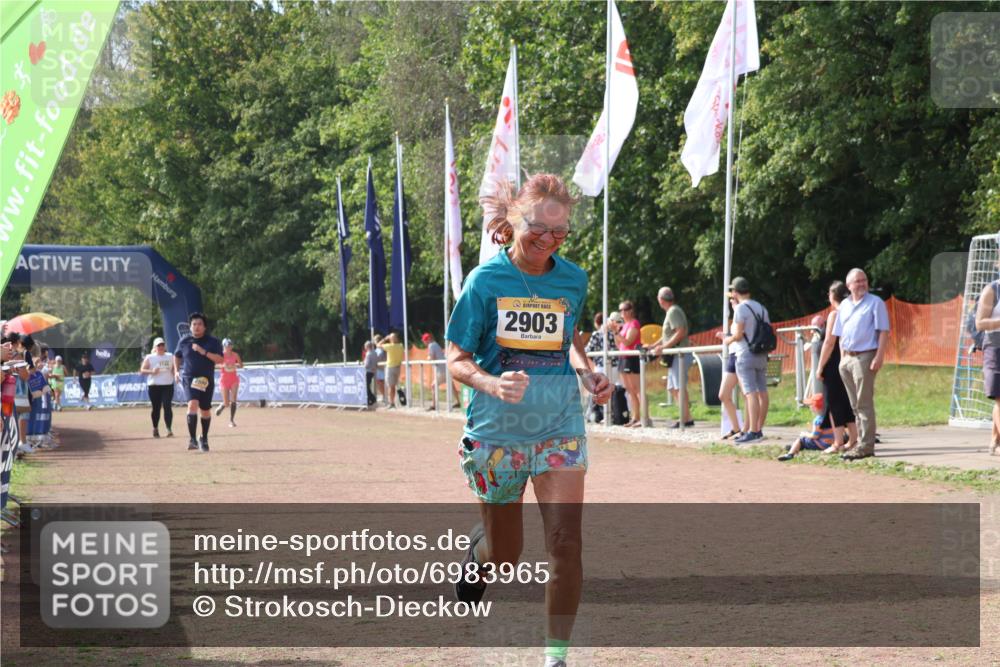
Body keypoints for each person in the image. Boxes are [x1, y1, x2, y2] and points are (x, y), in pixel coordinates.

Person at [446, 173, 611, 667]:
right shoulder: (484, 281)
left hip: (559, 425)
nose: (547, 240)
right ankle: (481, 554)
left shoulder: (573, 279)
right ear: (515, 220)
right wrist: (492, 383)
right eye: (538, 227)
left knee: (566, 543)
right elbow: (456, 357)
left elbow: (569, 333)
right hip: (497, 431)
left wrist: (586, 371)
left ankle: (555, 657)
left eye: (560, 234)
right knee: (505, 555)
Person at [828, 268, 890, 461]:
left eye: (864, 280)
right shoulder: (845, 305)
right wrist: (842, 359)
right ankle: (858, 443)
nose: (862, 284)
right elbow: (839, 334)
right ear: (849, 286)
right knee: (854, 404)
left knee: (864, 403)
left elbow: (883, 332)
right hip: (848, 358)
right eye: (858, 281)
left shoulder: (875, 303)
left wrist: (879, 356)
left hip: (865, 355)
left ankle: (866, 445)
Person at [723, 276, 770, 443]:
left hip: (746, 354)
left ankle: (753, 431)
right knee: (762, 392)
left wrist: (726, 339)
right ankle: (759, 428)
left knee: (750, 393)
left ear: (735, 293)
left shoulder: (740, 309)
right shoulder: (762, 308)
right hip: (761, 354)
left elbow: (738, 335)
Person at [815, 281, 859, 454]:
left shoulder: (835, 314)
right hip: (846, 361)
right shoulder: (851, 311)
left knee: (833, 403)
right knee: (847, 402)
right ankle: (854, 439)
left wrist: (820, 367)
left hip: (833, 364)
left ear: (833, 296)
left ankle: (838, 441)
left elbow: (829, 342)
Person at [173, 312, 224, 453]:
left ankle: (204, 438)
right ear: (190, 327)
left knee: (205, 411)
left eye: (199, 324)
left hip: (206, 380)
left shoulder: (212, 342)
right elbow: (176, 356)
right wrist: (177, 371)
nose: (196, 327)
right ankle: (192, 439)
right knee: (192, 404)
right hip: (189, 378)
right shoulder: (184, 341)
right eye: (194, 324)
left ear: (205, 327)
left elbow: (220, 360)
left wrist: (204, 352)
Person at [648, 286, 694, 428]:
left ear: (660, 300)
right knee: (673, 387)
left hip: (679, 354)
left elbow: (680, 332)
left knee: (678, 387)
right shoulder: (672, 311)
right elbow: (667, 336)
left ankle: (685, 419)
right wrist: (653, 346)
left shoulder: (673, 311)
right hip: (675, 355)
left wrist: (664, 347)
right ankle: (685, 417)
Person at [974, 274, 1000, 454]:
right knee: (999, 397)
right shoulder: (992, 290)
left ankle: (994, 439)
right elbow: (980, 323)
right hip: (995, 345)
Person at [715, 290, 744, 439]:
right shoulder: (736, 314)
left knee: (747, 394)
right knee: (723, 394)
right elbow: (736, 337)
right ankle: (736, 427)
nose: (730, 302)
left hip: (740, 356)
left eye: (732, 299)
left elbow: (740, 337)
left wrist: (727, 339)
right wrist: (725, 337)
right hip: (733, 356)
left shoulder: (741, 312)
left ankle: (749, 429)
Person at [777, 393, 835, 461]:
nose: (809, 407)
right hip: (832, 443)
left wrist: (805, 434)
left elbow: (815, 436)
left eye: (810, 405)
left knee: (801, 440)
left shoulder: (818, 420)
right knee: (806, 442)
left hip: (822, 444)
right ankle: (795, 447)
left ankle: (790, 454)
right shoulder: (831, 417)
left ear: (814, 407)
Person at [584, 313, 619, 424]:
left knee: (600, 392)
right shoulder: (613, 334)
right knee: (612, 390)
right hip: (615, 365)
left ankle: (600, 415)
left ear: (596, 323)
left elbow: (587, 350)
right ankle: (614, 414)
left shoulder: (597, 334)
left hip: (601, 366)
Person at [613, 299, 643, 428]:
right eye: (620, 310)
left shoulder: (634, 323)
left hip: (632, 359)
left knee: (638, 390)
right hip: (623, 358)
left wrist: (615, 332)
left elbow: (627, 342)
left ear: (631, 310)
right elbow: (618, 344)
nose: (622, 312)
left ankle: (645, 417)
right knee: (630, 391)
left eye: (625, 309)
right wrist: (616, 331)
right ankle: (635, 417)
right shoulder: (624, 325)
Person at [139, 337, 175, 438]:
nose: (161, 347)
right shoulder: (150, 357)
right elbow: (142, 370)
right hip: (154, 386)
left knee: (167, 405)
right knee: (156, 408)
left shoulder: (170, 356)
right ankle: (155, 428)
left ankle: (169, 429)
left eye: (162, 345)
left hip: (168, 385)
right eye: (158, 345)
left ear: (165, 346)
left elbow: (173, 368)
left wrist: (175, 374)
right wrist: (152, 372)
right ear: (155, 347)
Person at [423, 332, 458, 411]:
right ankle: (458, 401)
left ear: (428, 339)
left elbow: (432, 357)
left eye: (425, 340)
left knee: (433, 386)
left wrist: (428, 358)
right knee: (451, 384)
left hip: (440, 369)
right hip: (446, 368)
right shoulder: (436, 344)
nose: (424, 342)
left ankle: (434, 405)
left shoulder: (431, 345)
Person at [215, 338, 243, 427]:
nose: (229, 347)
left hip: (234, 379)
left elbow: (241, 365)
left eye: (230, 345)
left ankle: (231, 421)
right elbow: (214, 364)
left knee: (233, 399)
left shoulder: (235, 355)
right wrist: (223, 365)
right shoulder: (220, 355)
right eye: (227, 346)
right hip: (224, 380)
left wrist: (234, 365)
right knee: (227, 403)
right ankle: (223, 405)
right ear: (223, 346)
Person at [380, 333, 404, 409]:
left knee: (391, 387)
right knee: (394, 386)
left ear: (391, 339)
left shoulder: (389, 346)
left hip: (390, 367)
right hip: (398, 367)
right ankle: (394, 400)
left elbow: (377, 345)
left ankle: (392, 403)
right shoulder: (400, 346)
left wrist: (385, 339)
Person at [362, 341, 378, 408]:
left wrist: (363, 364)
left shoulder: (368, 354)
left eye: (365, 346)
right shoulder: (375, 352)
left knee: (366, 387)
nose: (365, 348)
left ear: (367, 347)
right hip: (372, 371)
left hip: (368, 371)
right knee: (367, 386)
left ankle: (372, 399)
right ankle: (371, 399)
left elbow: (367, 365)